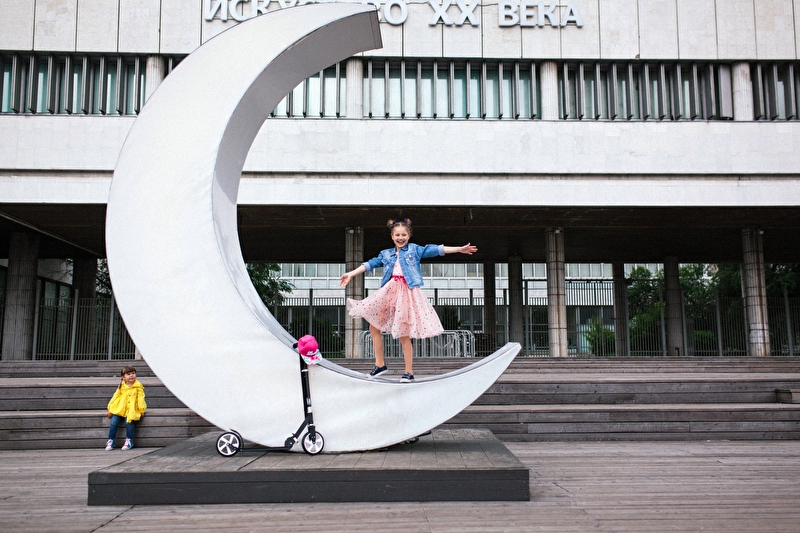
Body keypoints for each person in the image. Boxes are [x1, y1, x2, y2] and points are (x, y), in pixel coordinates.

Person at [340, 218, 477, 383]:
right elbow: (369, 264)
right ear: (392, 236)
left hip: (407, 293)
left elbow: (436, 249)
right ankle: (380, 364)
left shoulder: (414, 250)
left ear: (409, 236)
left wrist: (459, 249)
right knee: (374, 327)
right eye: (397, 235)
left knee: (404, 333)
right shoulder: (386, 254)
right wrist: (351, 274)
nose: (400, 238)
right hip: (390, 292)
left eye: (403, 235)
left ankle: (409, 372)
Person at [105, 365, 147, 451]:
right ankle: (111, 440)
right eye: (128, 374)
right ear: (123, 377)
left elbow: (141, 399)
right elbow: (115, 397)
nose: (131, 375)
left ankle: (129, 440)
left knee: (128, 423)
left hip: (131, 409)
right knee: (113, 422)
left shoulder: (138, 387)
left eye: (133, 373)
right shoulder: (121, 386)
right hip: (120, 408)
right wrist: (110, 409)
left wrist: (141, 410)